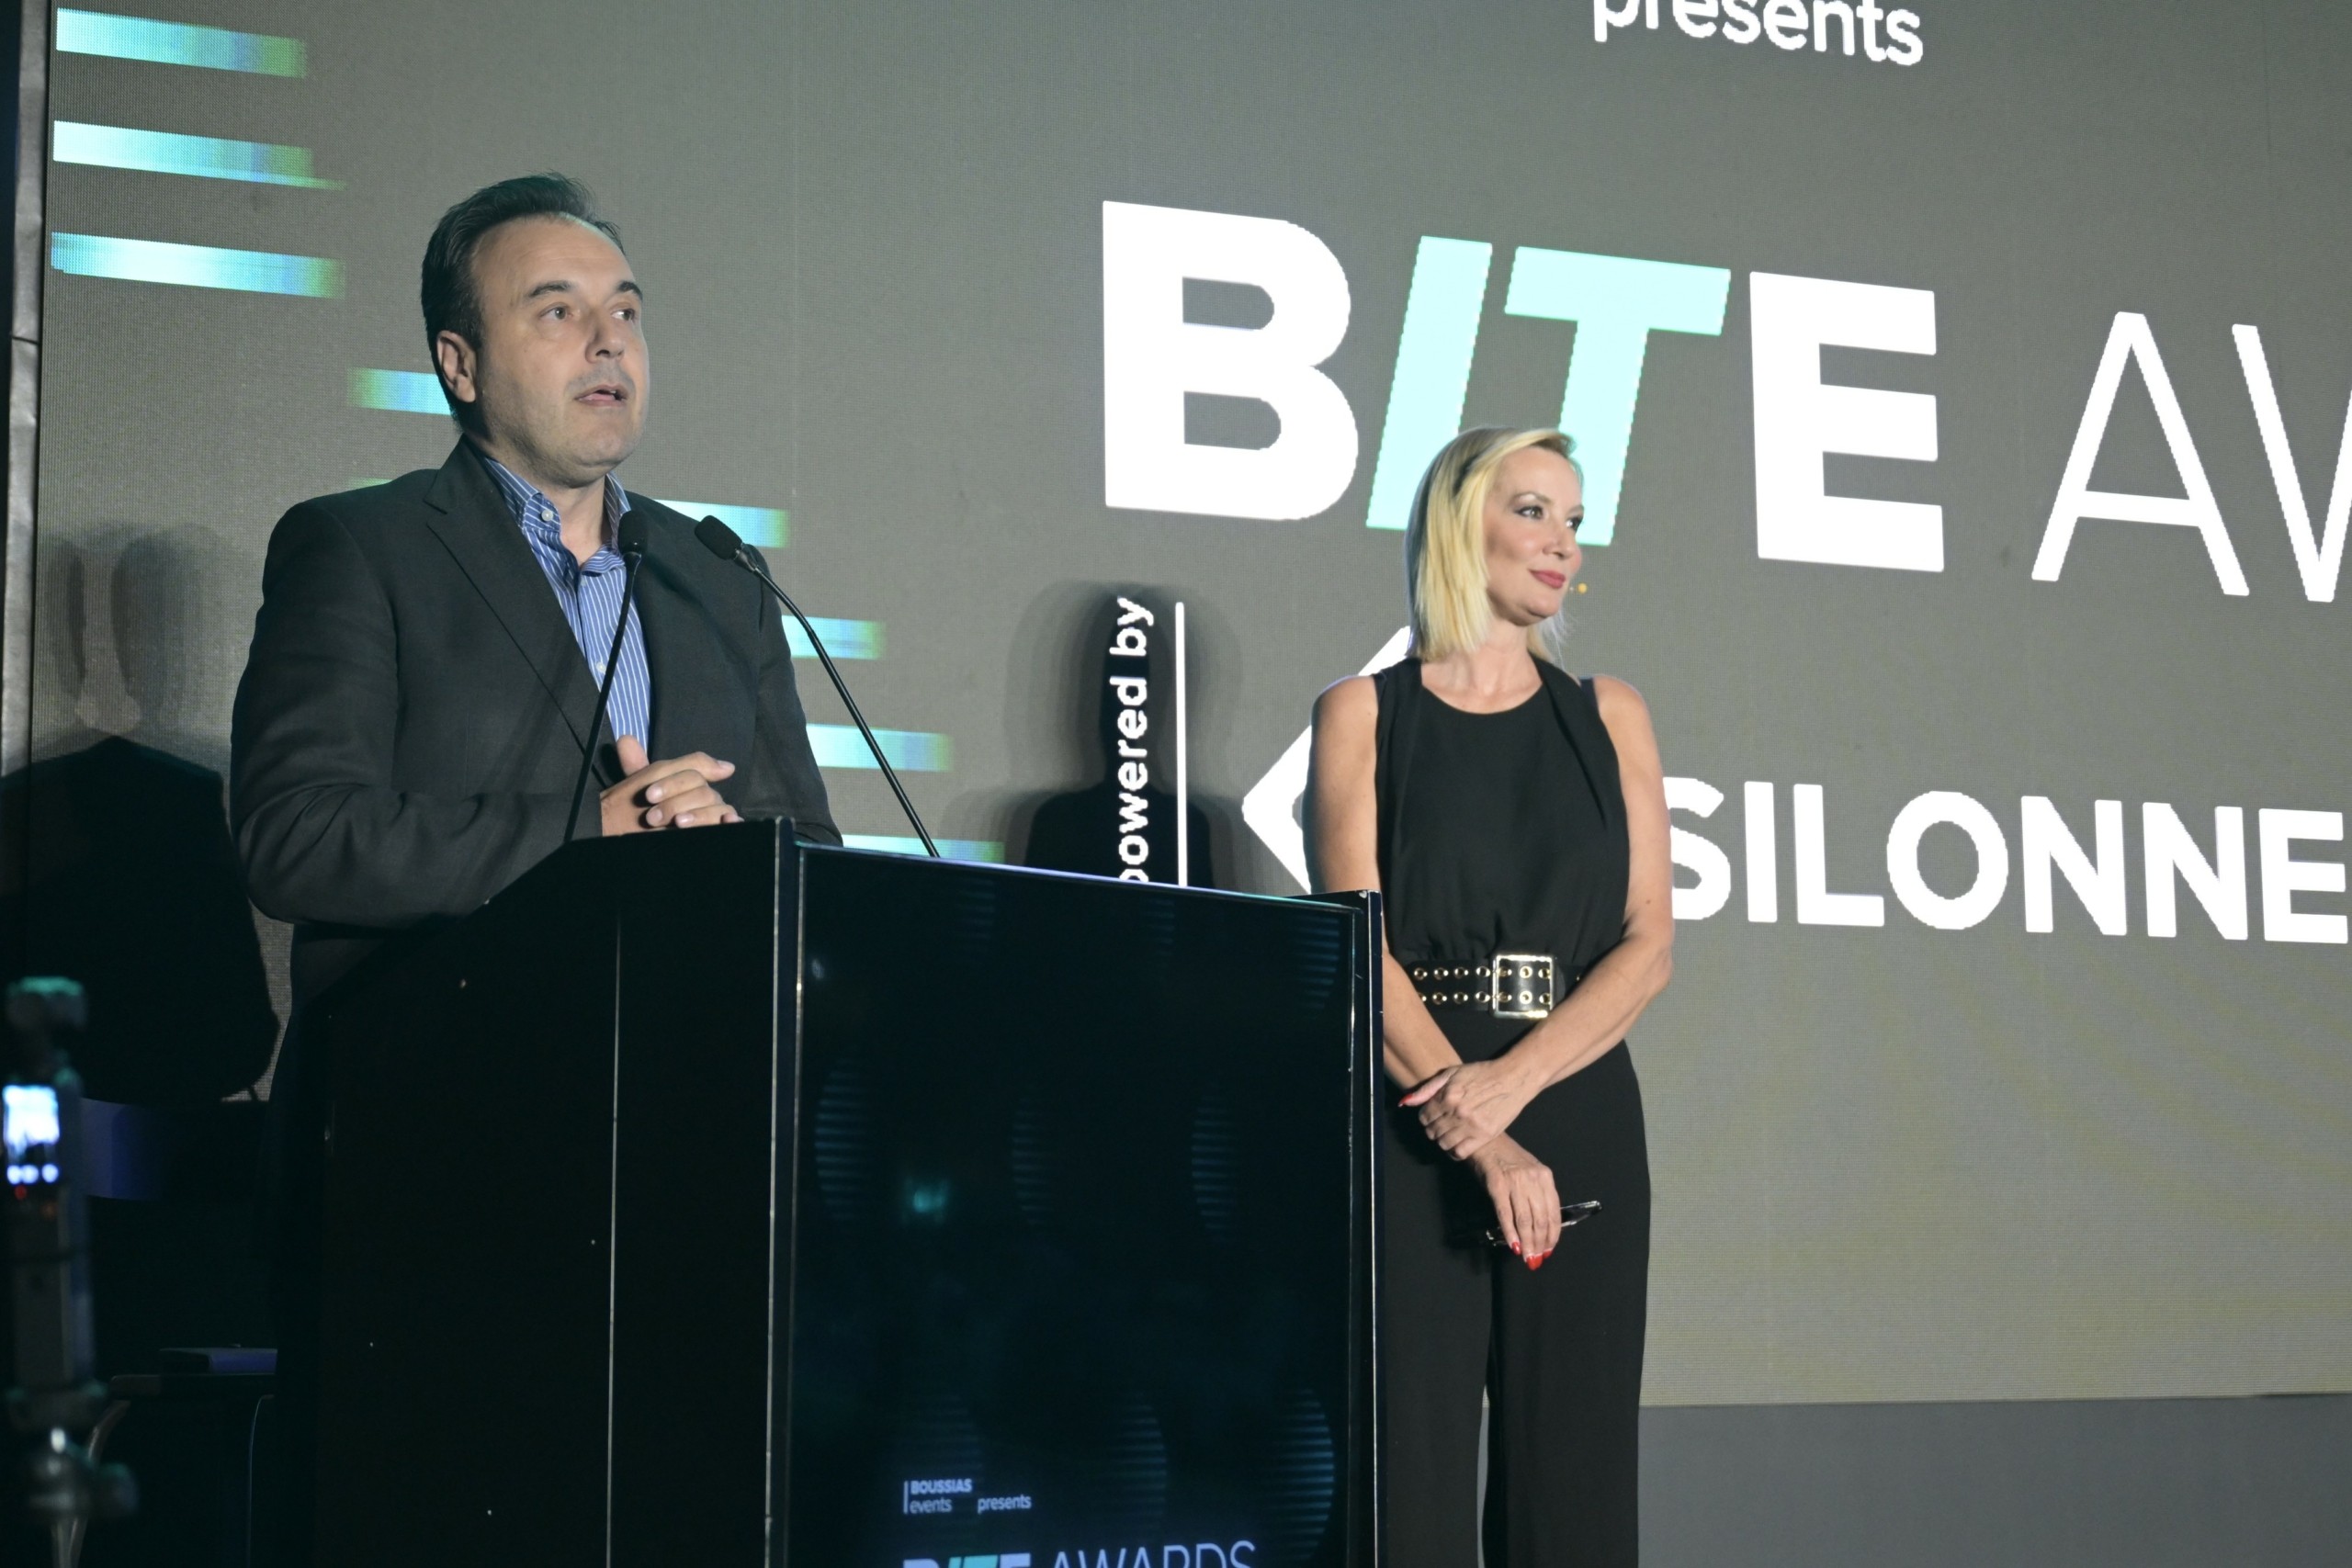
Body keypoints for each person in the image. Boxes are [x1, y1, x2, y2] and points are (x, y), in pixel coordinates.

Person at [229, 172, 838, 1562]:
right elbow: (295, 833)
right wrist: (590, 833)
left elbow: (806, 860)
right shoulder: (362, 546)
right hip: (431, 1172)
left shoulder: (716, 577)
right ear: (459, 362)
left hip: (689, 1173)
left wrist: (733, 862)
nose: (607, 341)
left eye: (625, 310)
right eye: (556, 312)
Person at [1306, 426, 1674, 1566]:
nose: (1563, 545)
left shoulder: (1608, 713)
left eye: (1573, 521)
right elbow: (1357, 948)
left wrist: (1513, 1089)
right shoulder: (1362, 712)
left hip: (1574, 1097)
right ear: (1460, 524)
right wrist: (1483, 1136)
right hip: (1413, 1114)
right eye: (1532, 511)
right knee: (1406, 1473)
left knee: (1574, 1478)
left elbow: (1648, 944)